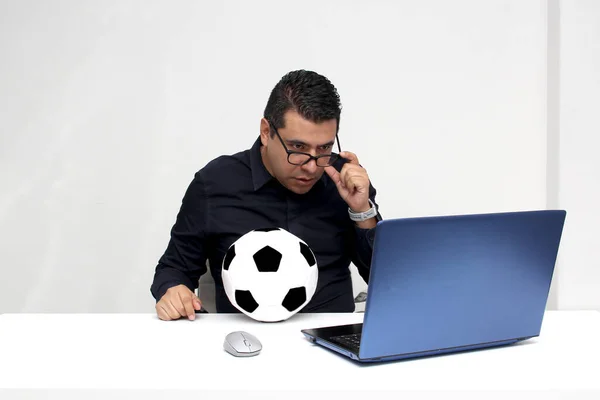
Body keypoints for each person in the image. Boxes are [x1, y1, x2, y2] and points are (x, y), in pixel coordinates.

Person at [150, 70, 382, 321]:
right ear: (266, 131)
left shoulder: (343, 180)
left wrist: (362, 210)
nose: (312, 166)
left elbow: (387, 281)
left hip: (331, 338)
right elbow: (173, 269)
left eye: (324, 148)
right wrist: (173, 290)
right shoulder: (214, 183)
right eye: (298, 148)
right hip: (245, 341)